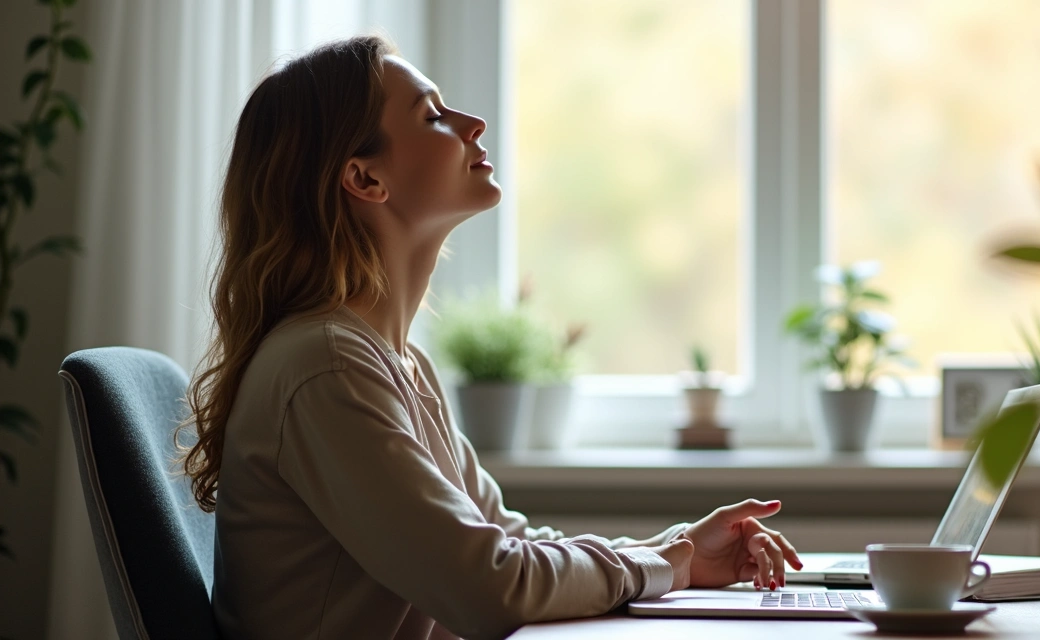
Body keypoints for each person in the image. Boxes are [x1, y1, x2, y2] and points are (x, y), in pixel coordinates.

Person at [180, 35, 803, 640]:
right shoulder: (326, 365)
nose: (472, 122)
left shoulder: (395, 362)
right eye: (432, 115)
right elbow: (491, 588)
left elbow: (509, 545)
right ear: (365, 180)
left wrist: (678, 550)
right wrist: (667, 567)